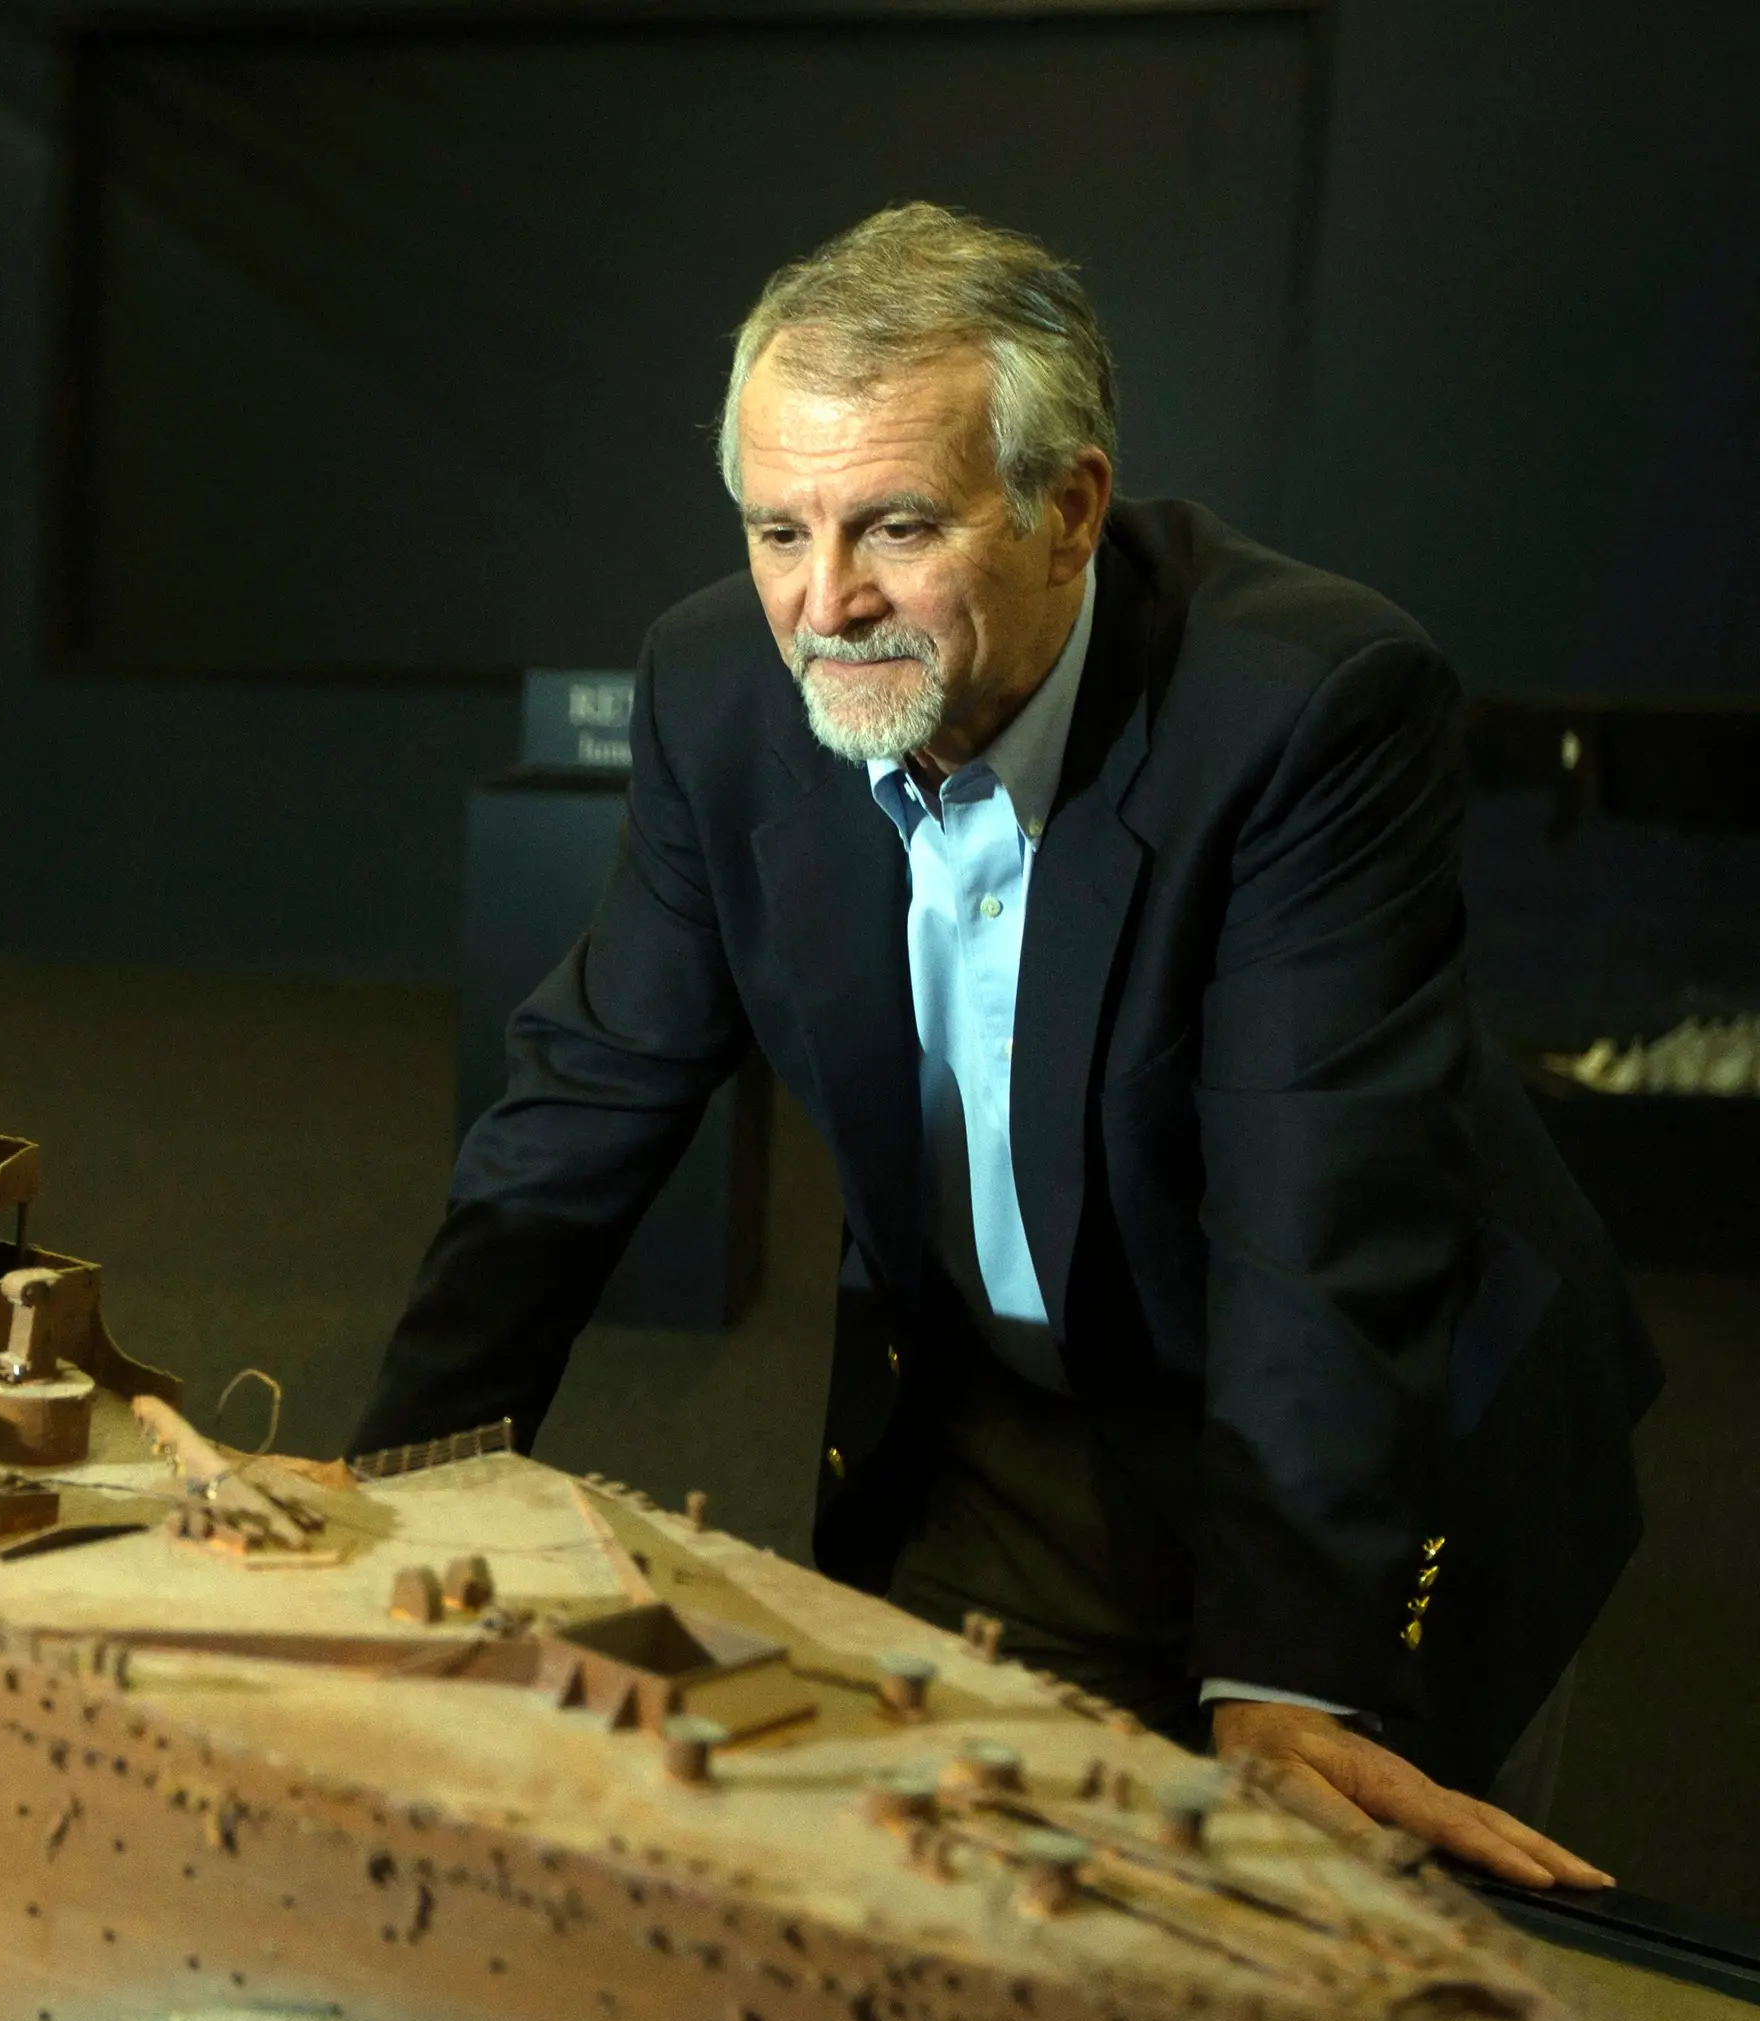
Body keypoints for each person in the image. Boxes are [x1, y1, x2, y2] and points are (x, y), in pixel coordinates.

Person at [349, 204, 1655, 1888]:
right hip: (1010, 1417)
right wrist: (387, 1483)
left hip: (1364, 1421)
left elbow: (1320, 1215)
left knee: (1334, 1938)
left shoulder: (1307, 705)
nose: (824, 604)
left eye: (896, 525)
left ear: (1071, 509)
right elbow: (592, 1092)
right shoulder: (719, 688)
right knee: (968, 1894)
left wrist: (1282, 1683)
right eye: (776, 530)